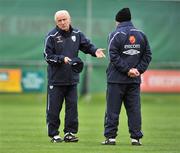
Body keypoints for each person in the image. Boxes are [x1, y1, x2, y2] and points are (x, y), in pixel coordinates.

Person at [43, 10, 105, 143]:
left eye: (64, 19)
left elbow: (87, 46)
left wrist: (95, 51)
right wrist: (61, 59)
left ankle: (69, 133)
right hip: (56, 80)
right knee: (53, 109)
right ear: (56, 22)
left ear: (69, 19)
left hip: (72, 79)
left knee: (72, 109)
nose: (62, 22)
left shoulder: (77, 34)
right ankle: (54, 135)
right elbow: (48, 57)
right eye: (59, 20)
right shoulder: (51, 36)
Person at [102, 8, 152, 146]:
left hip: (116, 79)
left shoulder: (115, 34)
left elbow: (113, 56)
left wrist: (127, 70)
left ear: (117, 21)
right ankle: (136, 138)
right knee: (134, 109)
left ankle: (110, 138)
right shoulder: (141, 35)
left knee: (112, 109)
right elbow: (147, 55)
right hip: (134, 80)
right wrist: (138, 70)